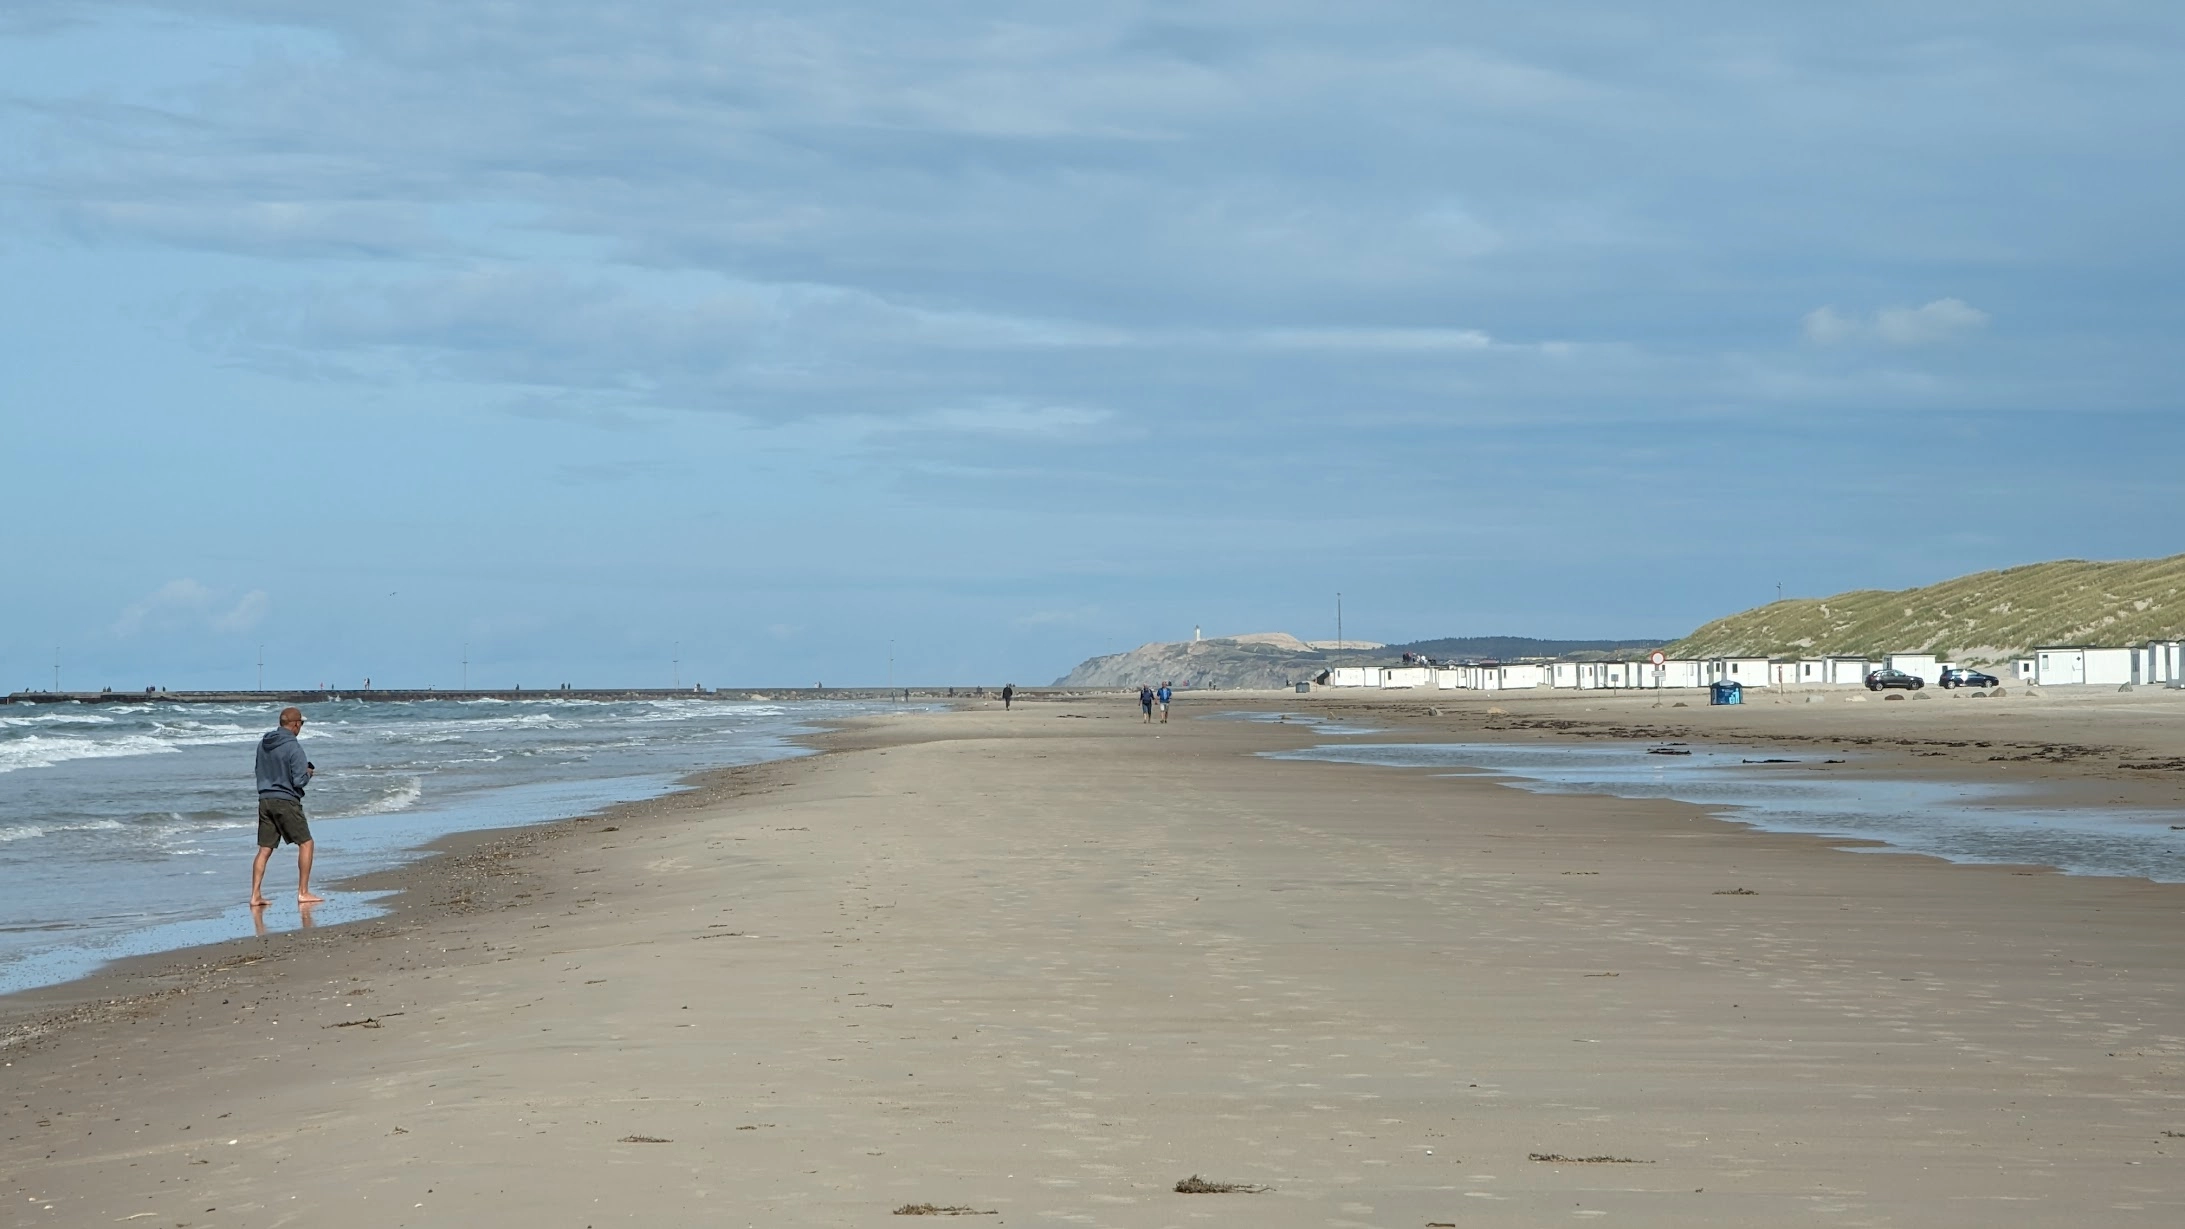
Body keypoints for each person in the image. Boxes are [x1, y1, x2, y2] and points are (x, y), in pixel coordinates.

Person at [251, 706, 323, 906]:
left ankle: (255, 895)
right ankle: (303, 892)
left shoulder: (263, 744)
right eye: (301, 723)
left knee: (265, 849)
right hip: (285, 800)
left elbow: (258, 770)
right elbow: (299, 780)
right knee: (306, 843)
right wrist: (308, 773)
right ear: (296, 724)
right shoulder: (293, 746)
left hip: (265, 799)